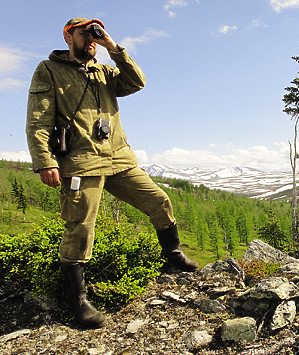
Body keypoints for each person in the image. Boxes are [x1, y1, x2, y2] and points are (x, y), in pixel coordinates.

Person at [26, 18, 199, 329]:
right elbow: (38, 120)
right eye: (85, 33)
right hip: (81, 162)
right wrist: (45, 161)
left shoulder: (105, 71)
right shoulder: (49, 70)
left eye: (96, 33)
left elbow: (136, 82)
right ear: (68, 36)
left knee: (159, 201)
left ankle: (172, 254)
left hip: (119, 159)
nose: (92, 38)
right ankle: (78, 299)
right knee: (80, 227)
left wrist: (113, 48)